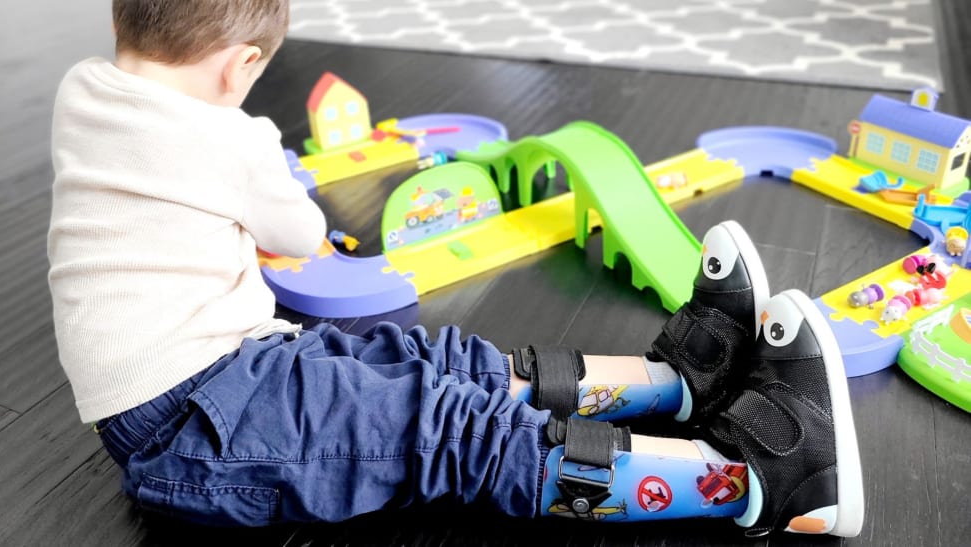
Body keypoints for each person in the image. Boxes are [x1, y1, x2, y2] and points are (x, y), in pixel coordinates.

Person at [47, 0, 864, 538]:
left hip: (212, 375)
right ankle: (764, 483)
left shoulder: (82, 94)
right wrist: (263, 160)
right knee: (448, 431)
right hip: (197, 422)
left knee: (426, 366)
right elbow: (296, 226)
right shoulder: (231, 136)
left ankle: (671, 384)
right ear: (241, 65)